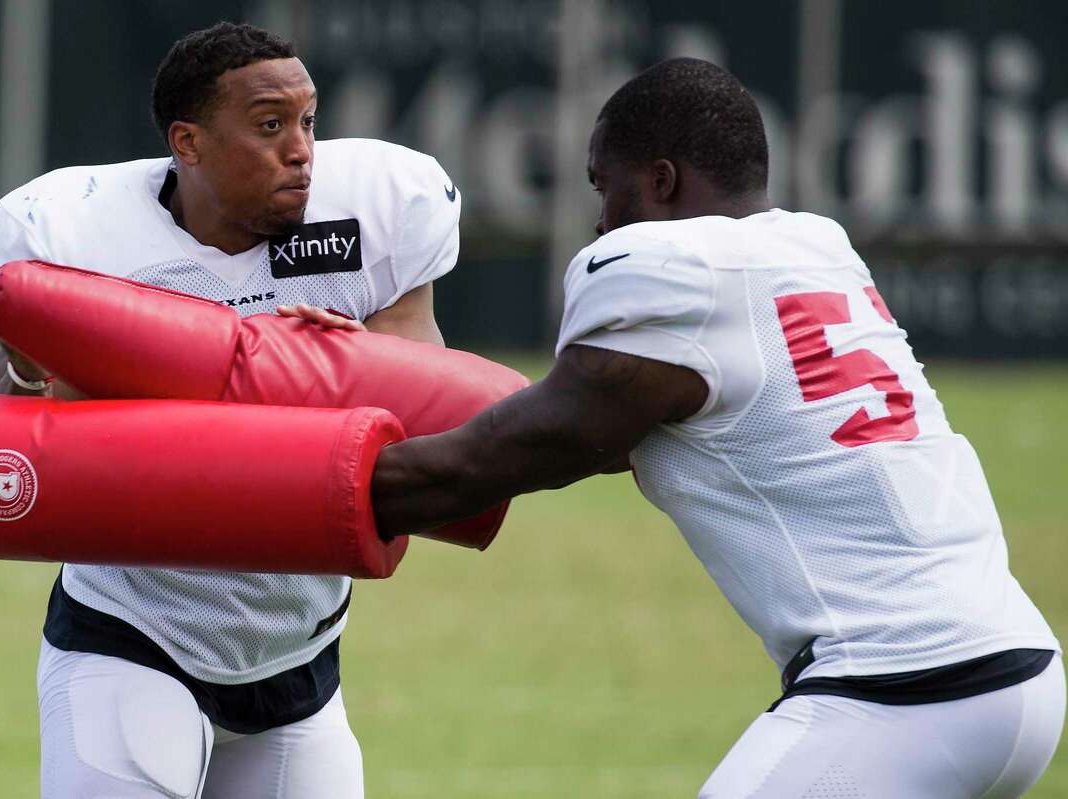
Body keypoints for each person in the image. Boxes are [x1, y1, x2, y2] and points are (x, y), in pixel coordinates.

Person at [369, 59, 1064, 798]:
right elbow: (593, 422)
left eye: (607, 187)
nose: (602, 220)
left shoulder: (671, 265)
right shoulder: (813, 247)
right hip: (1013, 665)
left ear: (662, 182)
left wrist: (308, 476)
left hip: (902, 685)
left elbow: (511, 454)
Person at [0, 21, 459, 798]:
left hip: (301, 656)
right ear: (188, 143)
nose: (301, 149)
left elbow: (427, 419)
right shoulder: (79, 230)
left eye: (308, 121)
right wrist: (31, 362)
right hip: (133, 635)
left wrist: (341, 367)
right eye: (270, 126)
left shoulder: (379, 208)